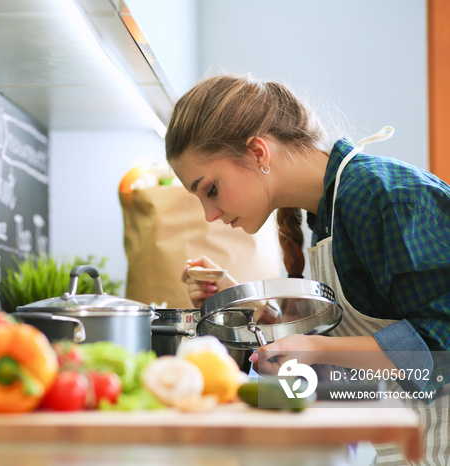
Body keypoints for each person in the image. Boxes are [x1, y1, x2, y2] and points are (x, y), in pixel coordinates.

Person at [166, 74, 450, 465]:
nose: (210, 215)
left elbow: (440, 351)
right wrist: (250, 306)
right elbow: (364, 353)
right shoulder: (323, 214)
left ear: (258, 153)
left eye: (210, 189)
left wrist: (315, 349)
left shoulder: (382, 198)